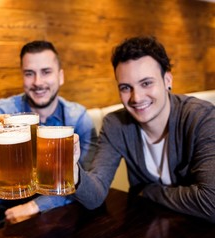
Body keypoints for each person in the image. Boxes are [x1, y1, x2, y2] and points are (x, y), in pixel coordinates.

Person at [73, 35, 215, 223]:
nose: (136, 97)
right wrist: (73, 173)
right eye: (125, 87)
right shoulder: (115, 124)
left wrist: (150, 191)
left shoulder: (201, 118)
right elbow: (95, 197)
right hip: (146, 225)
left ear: (167, 80)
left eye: (146, 83)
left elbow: (211, 202)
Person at [0, 40, 97, 232]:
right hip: (6, 211)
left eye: (46, 72)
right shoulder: (4, 112)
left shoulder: (77, 117)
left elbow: (87, 181)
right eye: (29, 73)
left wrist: (37, 206)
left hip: (60, 210)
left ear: (61, 76)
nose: (38, 82)